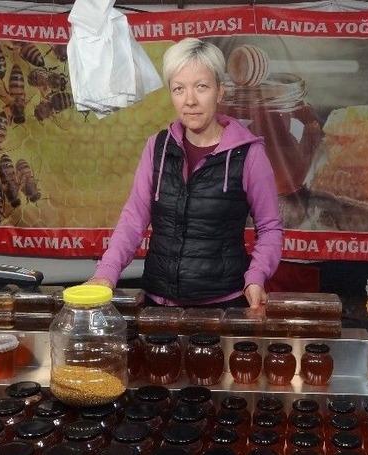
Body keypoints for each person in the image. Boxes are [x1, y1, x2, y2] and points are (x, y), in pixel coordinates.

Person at [87, 38, 283, 308]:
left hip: (222, 305)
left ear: (220, 91)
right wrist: (106, 274)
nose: (190, 100)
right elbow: (133, 219)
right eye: (179, 89)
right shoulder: (157, 147)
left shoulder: (248, 154)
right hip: (158, 302)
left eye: (201, 87)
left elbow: (270, 227)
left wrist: (256, 277)